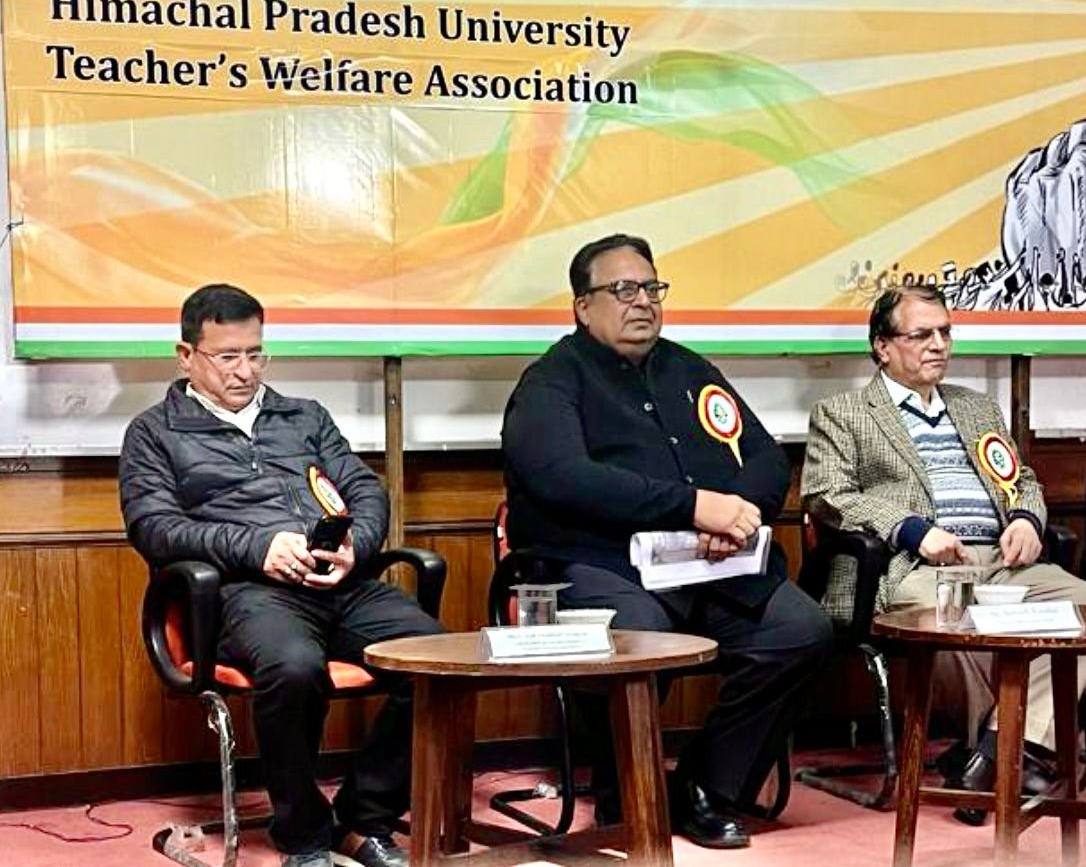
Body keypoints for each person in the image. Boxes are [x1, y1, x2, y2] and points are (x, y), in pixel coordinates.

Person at [501, 233, 832, 850]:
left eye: (651, 288)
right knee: (641, 634)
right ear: (583, 307)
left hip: (709, 562)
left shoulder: (689, 369)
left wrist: (739, 517)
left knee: (800, 629)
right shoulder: (552, 380)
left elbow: (765, 456)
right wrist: (693, 507)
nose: (643, 301)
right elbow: (561, 477)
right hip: (601, 562)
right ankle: (625, 794)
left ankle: (707, 787)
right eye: (623, 289)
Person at [120, 284, 442, 867]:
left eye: (255, 354)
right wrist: (258, 547)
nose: (245, 371)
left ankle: (363, 818)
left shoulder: (304, 416)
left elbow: (365, 489)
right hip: (249, 592)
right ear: (186, 356)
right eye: (228, 356)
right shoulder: (154, 432)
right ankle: (304, 834)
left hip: (340, 583)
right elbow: (154, 528)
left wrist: (355, 545)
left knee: (437, 661)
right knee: (293, 667)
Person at [802, 283, 1086, 823]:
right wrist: (911, 529)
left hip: (1004, 561)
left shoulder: (976, 407)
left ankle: (991, 757)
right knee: (949, 615)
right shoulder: (843, 412)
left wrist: (1026, 518)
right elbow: (827, 494)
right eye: (921, 334)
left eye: (945, 332)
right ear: (882, 346)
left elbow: (1023, 480)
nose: (939, 345)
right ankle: (1004, 760)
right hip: (916, 565)